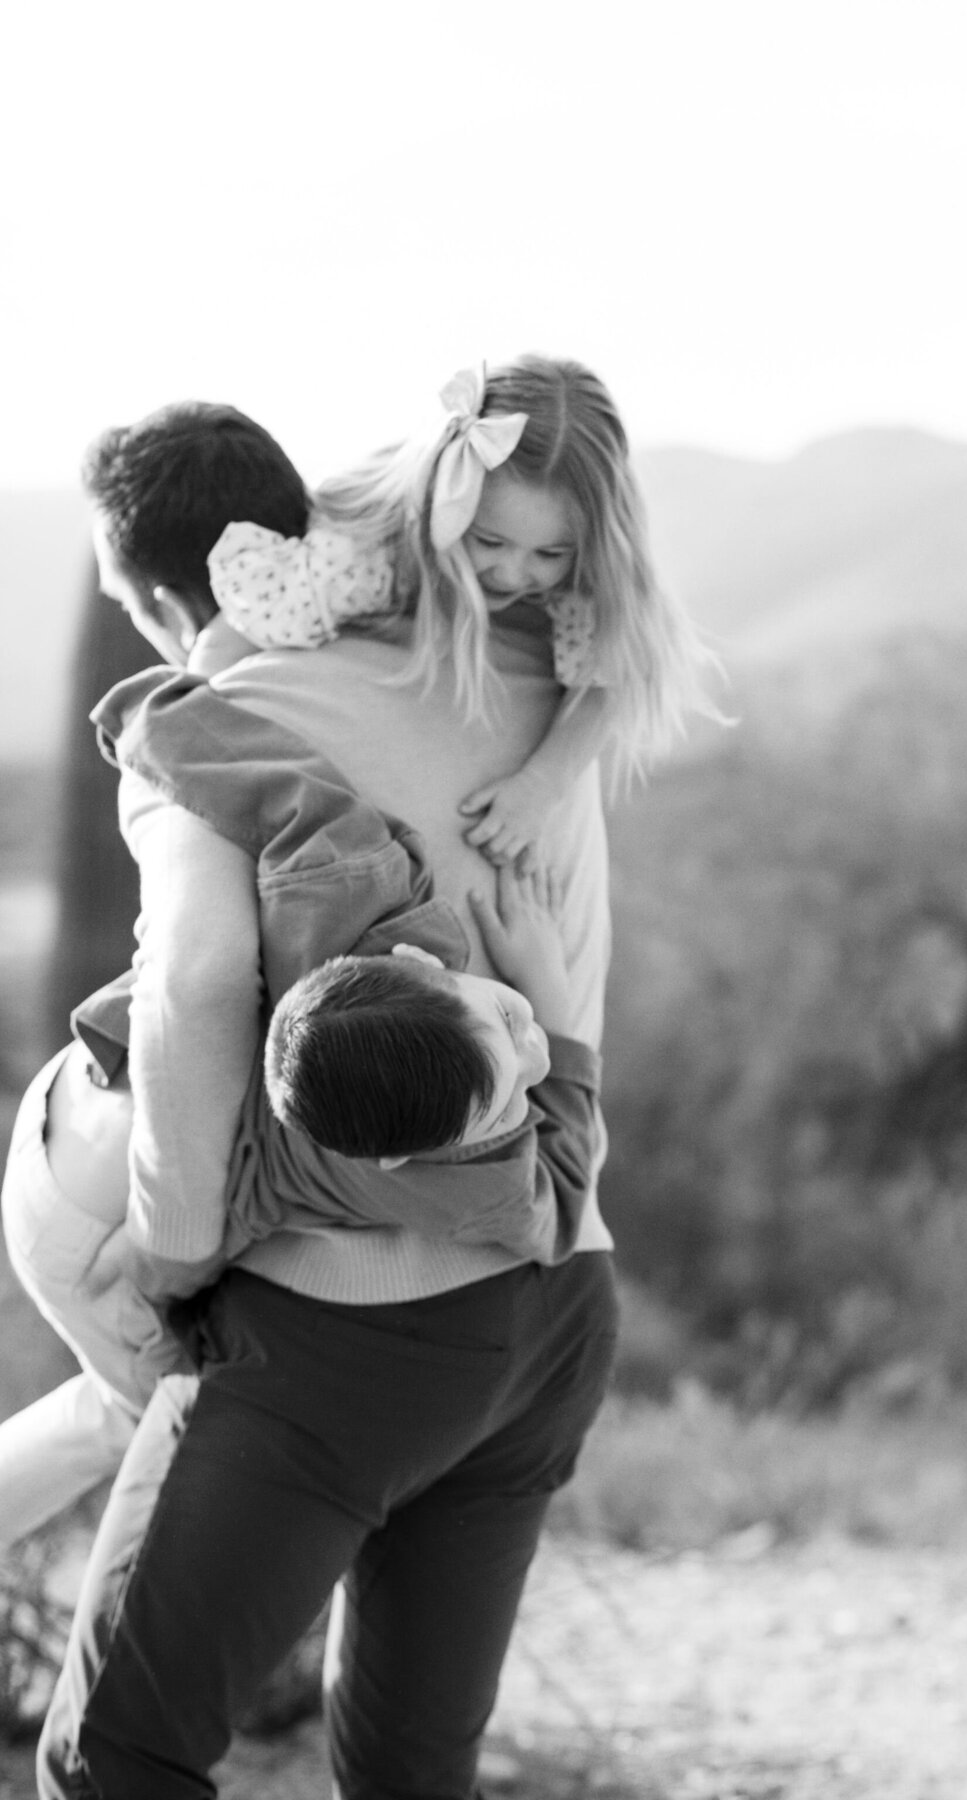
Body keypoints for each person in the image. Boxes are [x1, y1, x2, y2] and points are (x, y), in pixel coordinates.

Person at [35, 369, 645, 1799]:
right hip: (556, 1306)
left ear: (144, 594)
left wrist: (180, 1256)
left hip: (348, 1332)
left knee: (120, 1756)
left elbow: (194, 989)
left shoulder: (219, 716)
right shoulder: (546, 687)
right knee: (408, 1777)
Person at [214, 356, 724, 867]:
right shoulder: (361, 556)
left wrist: (540, 784)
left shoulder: (588, 572)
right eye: (489, 541)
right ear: (446, 497)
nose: (512, 572)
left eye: (549, 554)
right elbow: (242, 626)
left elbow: (607, 679)